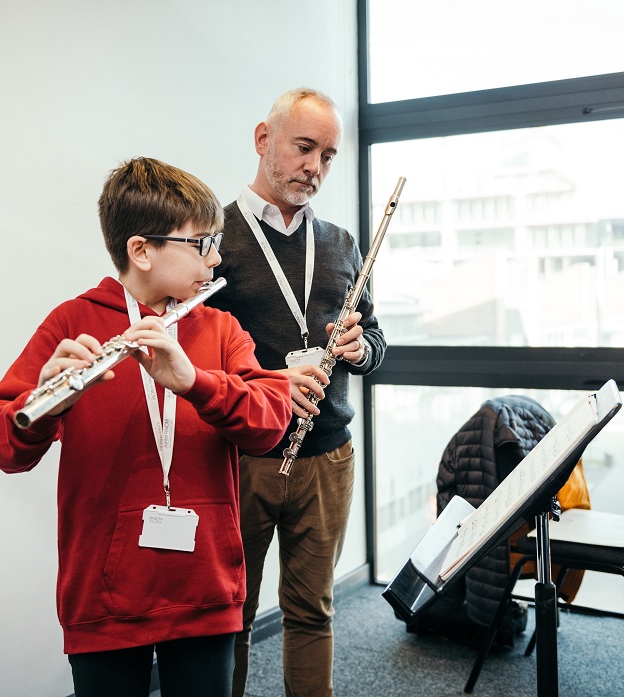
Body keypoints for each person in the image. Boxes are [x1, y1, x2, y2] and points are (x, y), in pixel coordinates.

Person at [0, 157, 292, 697]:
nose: (215, 257)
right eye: (200, 243)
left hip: (205, 591)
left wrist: (195, 383)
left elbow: (271, 422)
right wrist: (47, 403)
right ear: (141, 251)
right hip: (104, 599)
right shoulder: (72, 322)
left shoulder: (220, 327)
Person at [208, 88, 387, 697]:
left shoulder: (339, 243)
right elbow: (193, 360)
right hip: (240, 456)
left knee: (313, 611)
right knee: (227, 614)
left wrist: (363, 350)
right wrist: (265, 385)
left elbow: (377, 334)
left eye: (329, 156)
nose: (316, 167)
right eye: (305, 147)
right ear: (265, 141)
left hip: (327, 457)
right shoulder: (213, 239)